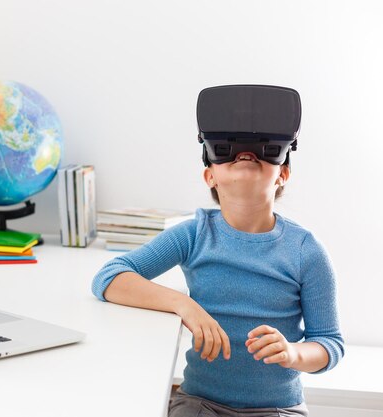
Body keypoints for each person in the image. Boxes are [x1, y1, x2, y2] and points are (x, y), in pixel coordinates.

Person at [91, 85, 344, 416]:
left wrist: (292, 353)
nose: (245, 154)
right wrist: (184, 306)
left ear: (283, 174)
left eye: (259, 151)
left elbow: (329, 344)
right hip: (200, 403)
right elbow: (109, 277)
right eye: (230, 151)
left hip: (279, 409)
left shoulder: (305, 251)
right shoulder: (195, 234)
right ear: (210, 176)